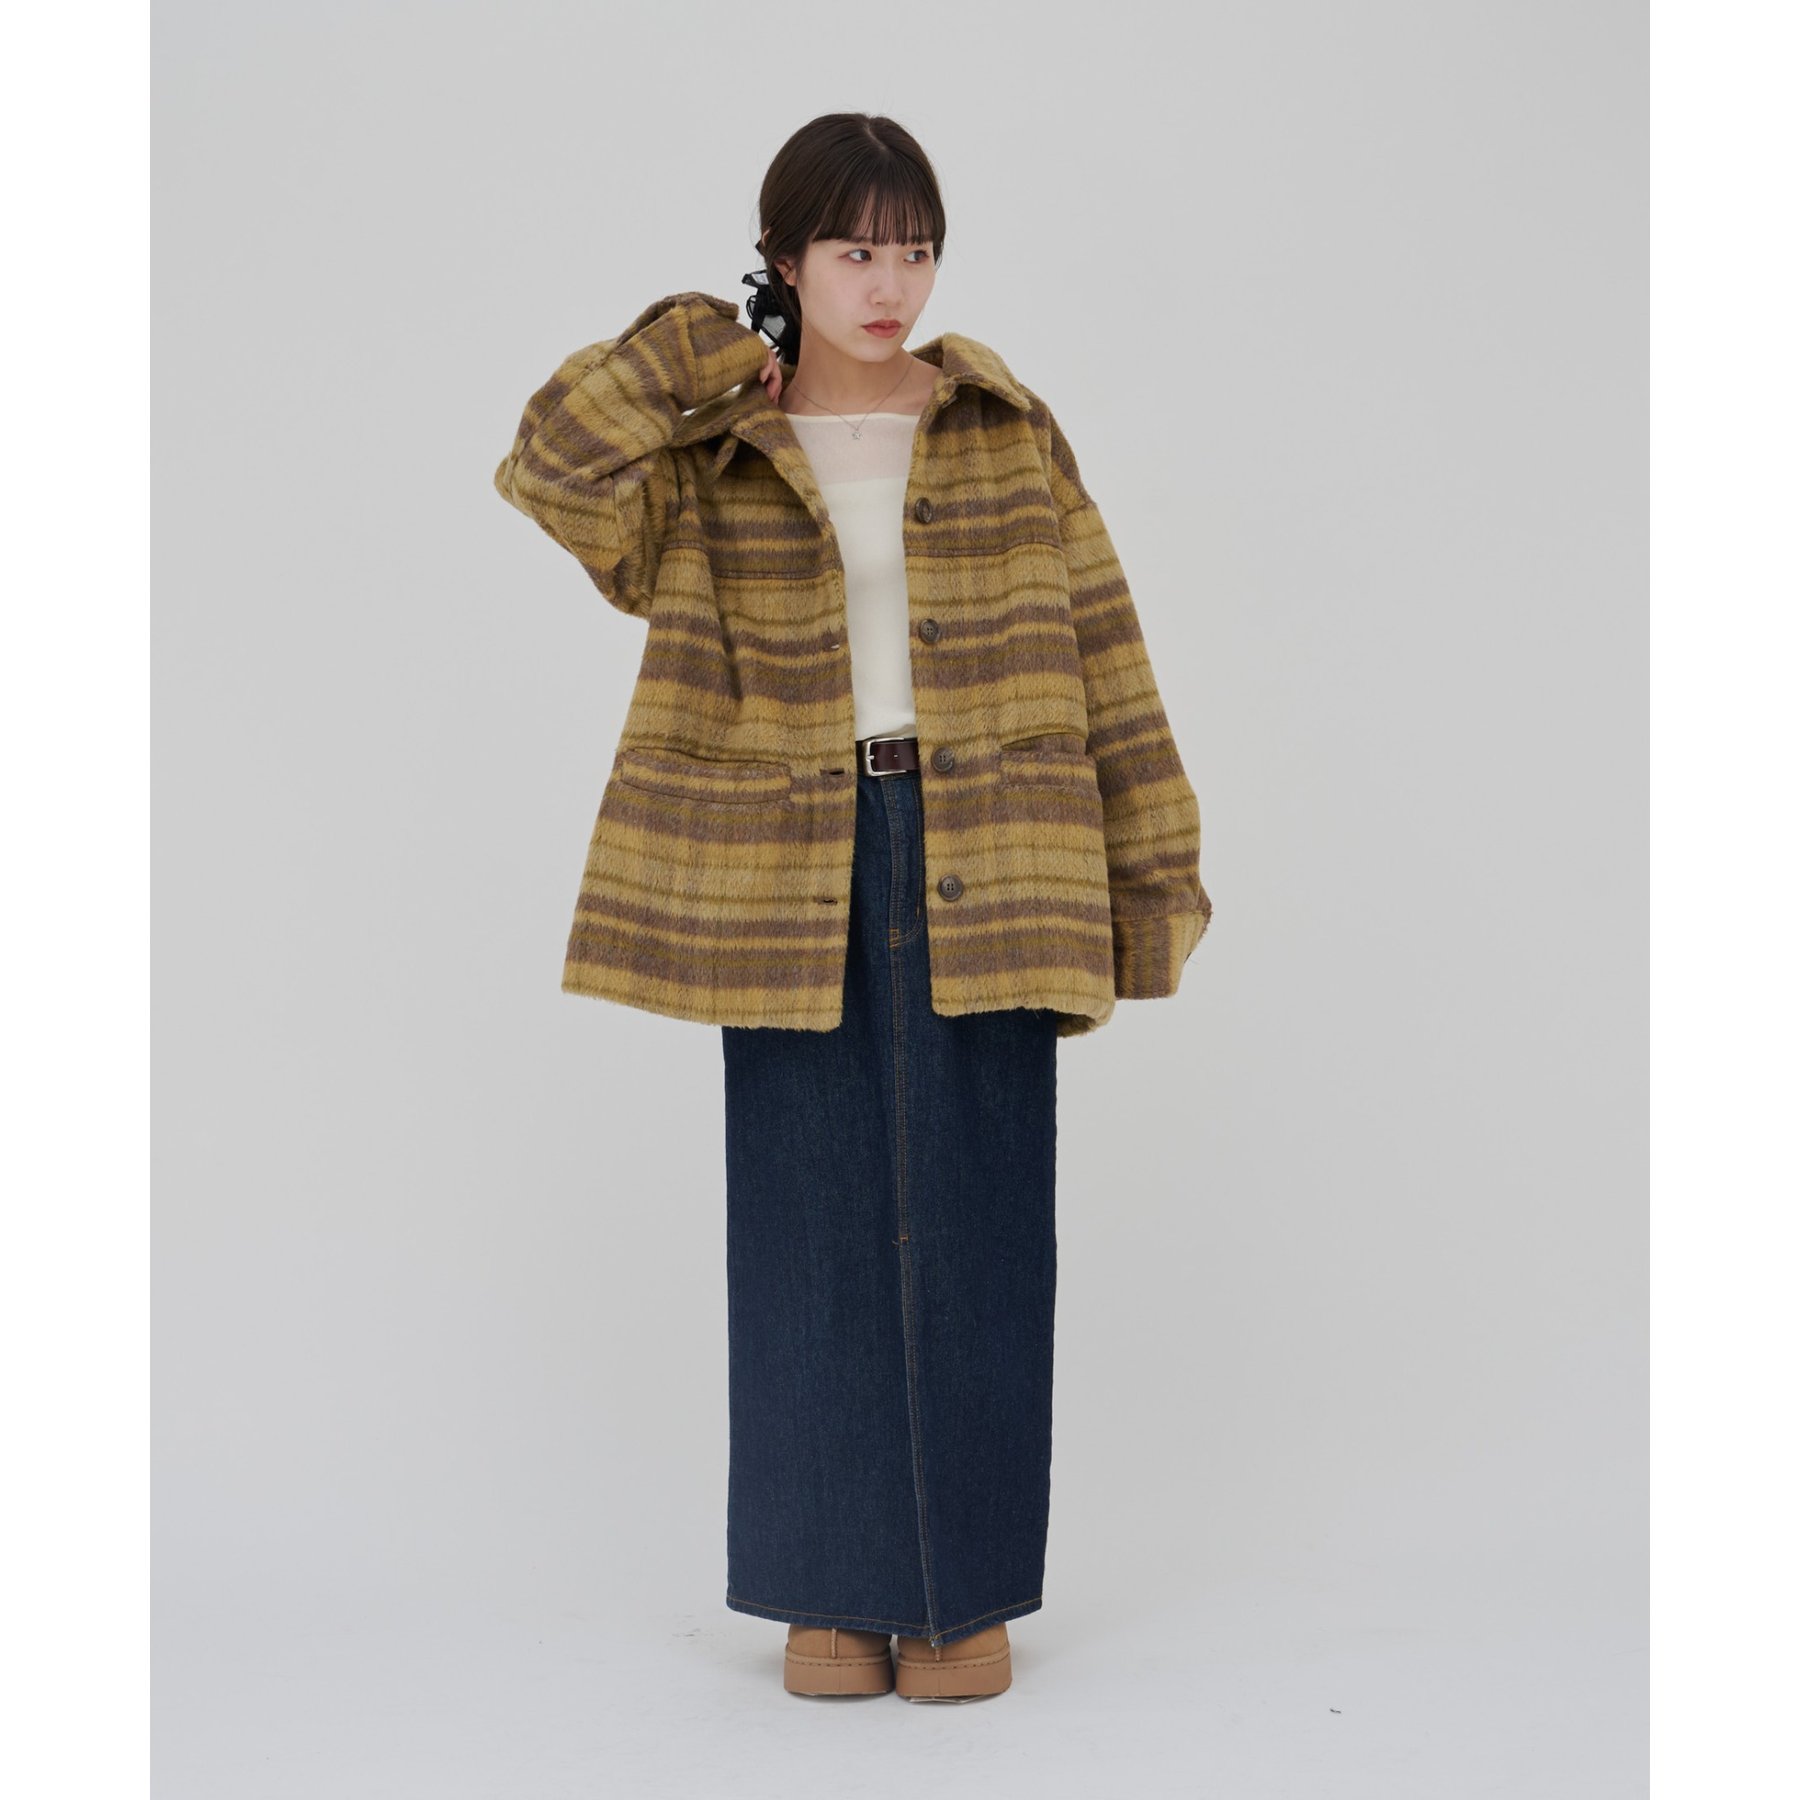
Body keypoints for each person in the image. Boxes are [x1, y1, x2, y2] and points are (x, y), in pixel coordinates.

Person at [493, 112, 1212, 1703]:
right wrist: (702, 350)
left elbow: (1103, 643)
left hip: (995, 847)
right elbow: (548, 464)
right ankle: (831, 1590)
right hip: (785, 863)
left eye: (915, 250)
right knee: (808, 1225)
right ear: (786, 259)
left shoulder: (1002, 428)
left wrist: (1150, 867)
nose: (890, 285)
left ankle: (955, 1601)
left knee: (979, 1225)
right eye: (853, 250)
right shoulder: (714, 450)